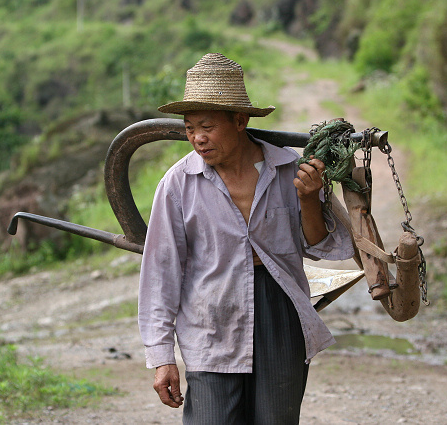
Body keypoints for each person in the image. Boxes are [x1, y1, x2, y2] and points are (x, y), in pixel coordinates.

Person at [138, 53, 354, 424]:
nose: (197, 138)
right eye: (190, 128)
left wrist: (308, 199)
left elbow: (320, 246)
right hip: (210, 317)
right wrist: (161, 357)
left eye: (207, 126)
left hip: (280, 309)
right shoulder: (178, 184)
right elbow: (160, 275)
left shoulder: (288, 168)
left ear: (240, 121)